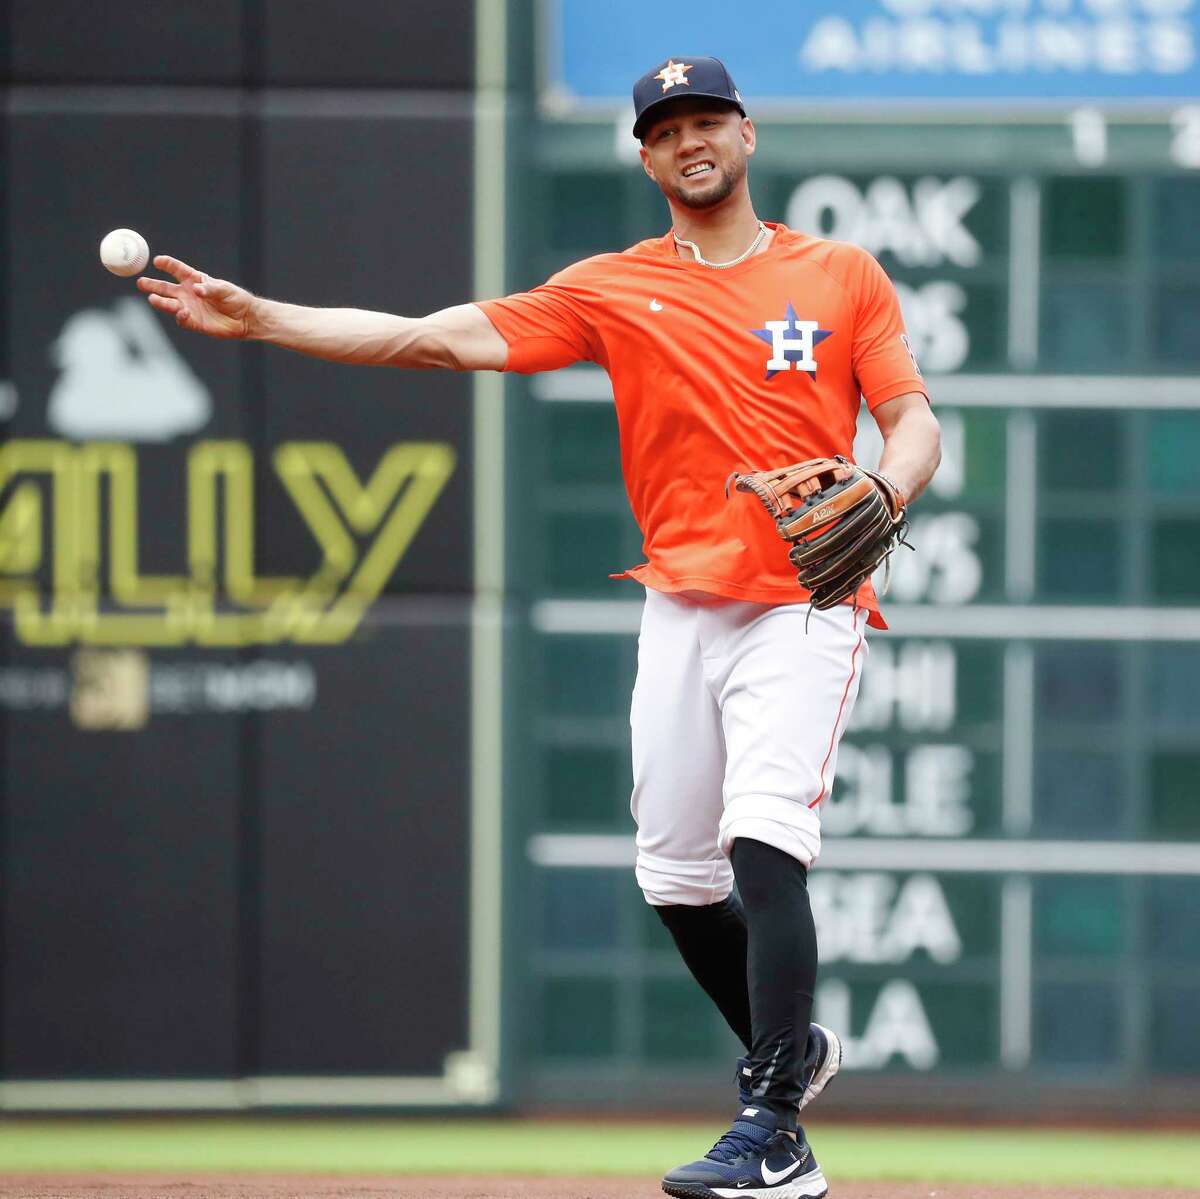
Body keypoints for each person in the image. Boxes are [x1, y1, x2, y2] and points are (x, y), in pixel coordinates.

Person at [138, 54, 941, 1199]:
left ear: (747, 135)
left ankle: (774, 1128)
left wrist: (889, 487)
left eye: (707, 118)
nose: (689, 138)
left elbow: (914, 422)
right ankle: (797, 1052)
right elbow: (431, 337)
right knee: (673, 871)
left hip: (803, 603)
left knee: (765, 837)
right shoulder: (611, 288)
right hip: (681, 600)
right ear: (646, 154)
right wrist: (266, 320)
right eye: (666, 128)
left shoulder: (841, 274)